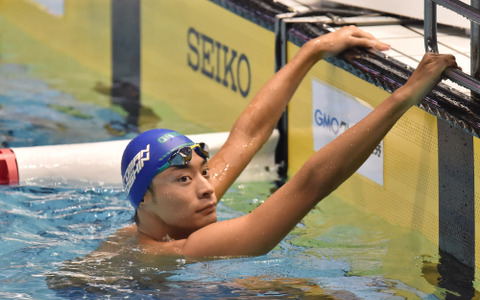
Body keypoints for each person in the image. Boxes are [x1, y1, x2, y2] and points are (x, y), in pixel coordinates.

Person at [117, 25, 457, 258]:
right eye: (184, 179)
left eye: (203, 172)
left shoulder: (174, 208)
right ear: (144, 197)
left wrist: (312, 50)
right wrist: (405, 94)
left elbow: (247, 136)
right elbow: (310, 185)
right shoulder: (184, 249)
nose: (207, 188)